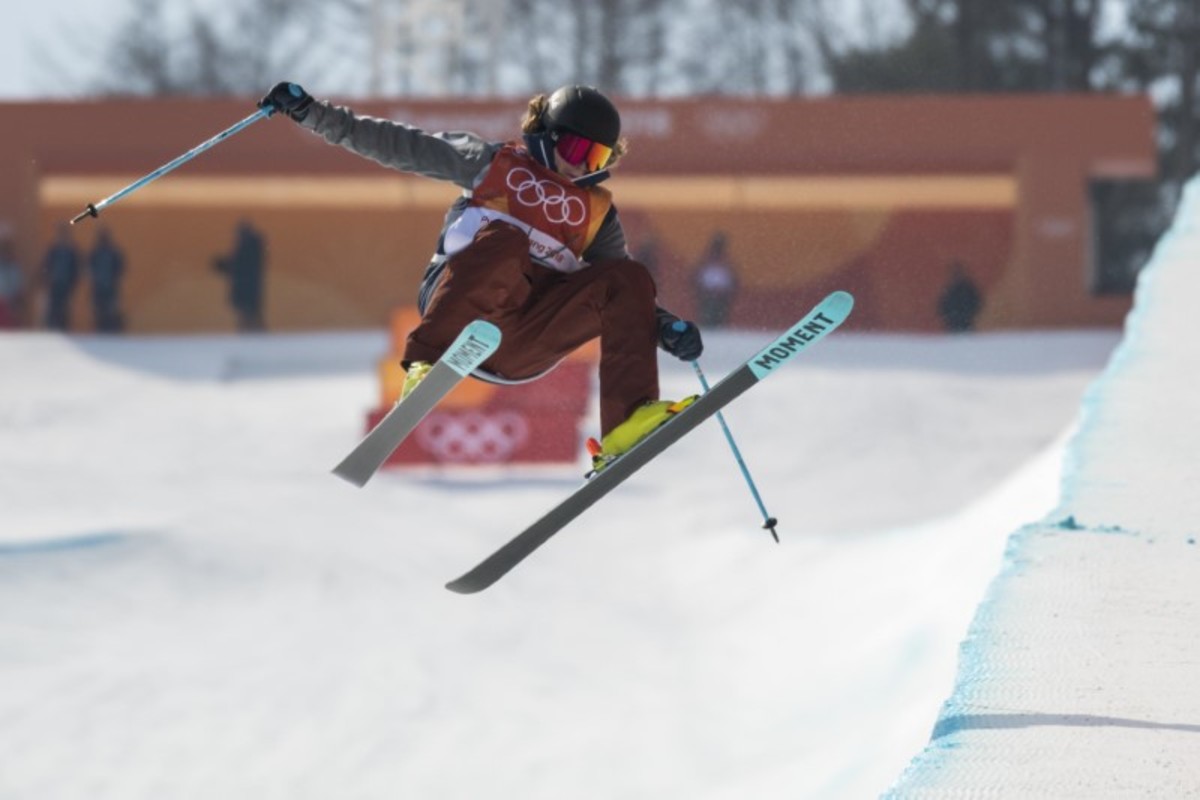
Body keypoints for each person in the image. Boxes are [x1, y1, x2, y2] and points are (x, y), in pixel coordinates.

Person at [259, 81, 703, 471]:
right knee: (507, 241)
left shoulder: (597, 215)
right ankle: (425, 366)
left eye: (597, 157)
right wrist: (311, 113)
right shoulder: (492, 163)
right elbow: (399, 144)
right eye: (576, 151)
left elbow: (624, 298)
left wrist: (666, 329)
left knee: (628, 276)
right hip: (462, 309)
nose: (583, 166)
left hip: (523, 343)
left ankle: (627, 422)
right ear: (548, 136)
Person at [213, 219, 266, 332]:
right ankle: (255, 335)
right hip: (248, 292)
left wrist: (224, 265)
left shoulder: (247, 248)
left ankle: (253, 336)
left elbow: (239, 265)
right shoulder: (250, 248)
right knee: (249, 318)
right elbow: (238, 265)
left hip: (246, 292)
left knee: (248, 318)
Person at [692, 231, 738, 327]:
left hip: (721, 294)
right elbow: (697, 277)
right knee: (708, 317)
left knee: (719, 317)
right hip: (708, 294)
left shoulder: (726, 262)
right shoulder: (706, 260)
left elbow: (733, 279)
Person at [42, 223, 80, 331]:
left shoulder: (72, 251)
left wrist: (73, 283)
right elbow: (47, 265)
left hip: (66, 284)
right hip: (55, 283)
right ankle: (52, 328)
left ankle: (63, 327)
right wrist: (46, 279)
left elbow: (75, 268)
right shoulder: (54, 249)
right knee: (53, 307)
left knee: (64, 308)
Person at [88, 227, 125, 333]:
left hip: (110, 286)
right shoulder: (95, 252)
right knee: (99, 310)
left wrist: (114, 278)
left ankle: (110, 328)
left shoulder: (113, 252)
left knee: (111, 310)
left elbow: (120, 267)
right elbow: (90, 266)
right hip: (99, 286)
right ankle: (101, 328)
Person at [937, 261, 983, 333]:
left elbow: (977, 302)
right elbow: (942, 305)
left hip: (964, 322)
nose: (955, 275)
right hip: (955, 324)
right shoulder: (950, 290)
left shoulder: (967, 289)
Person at [0, 238, 25, 329]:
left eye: (7, 252)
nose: (6, 254)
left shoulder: (15, 268)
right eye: (4, 252)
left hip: (11, 303)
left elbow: (19, 286)